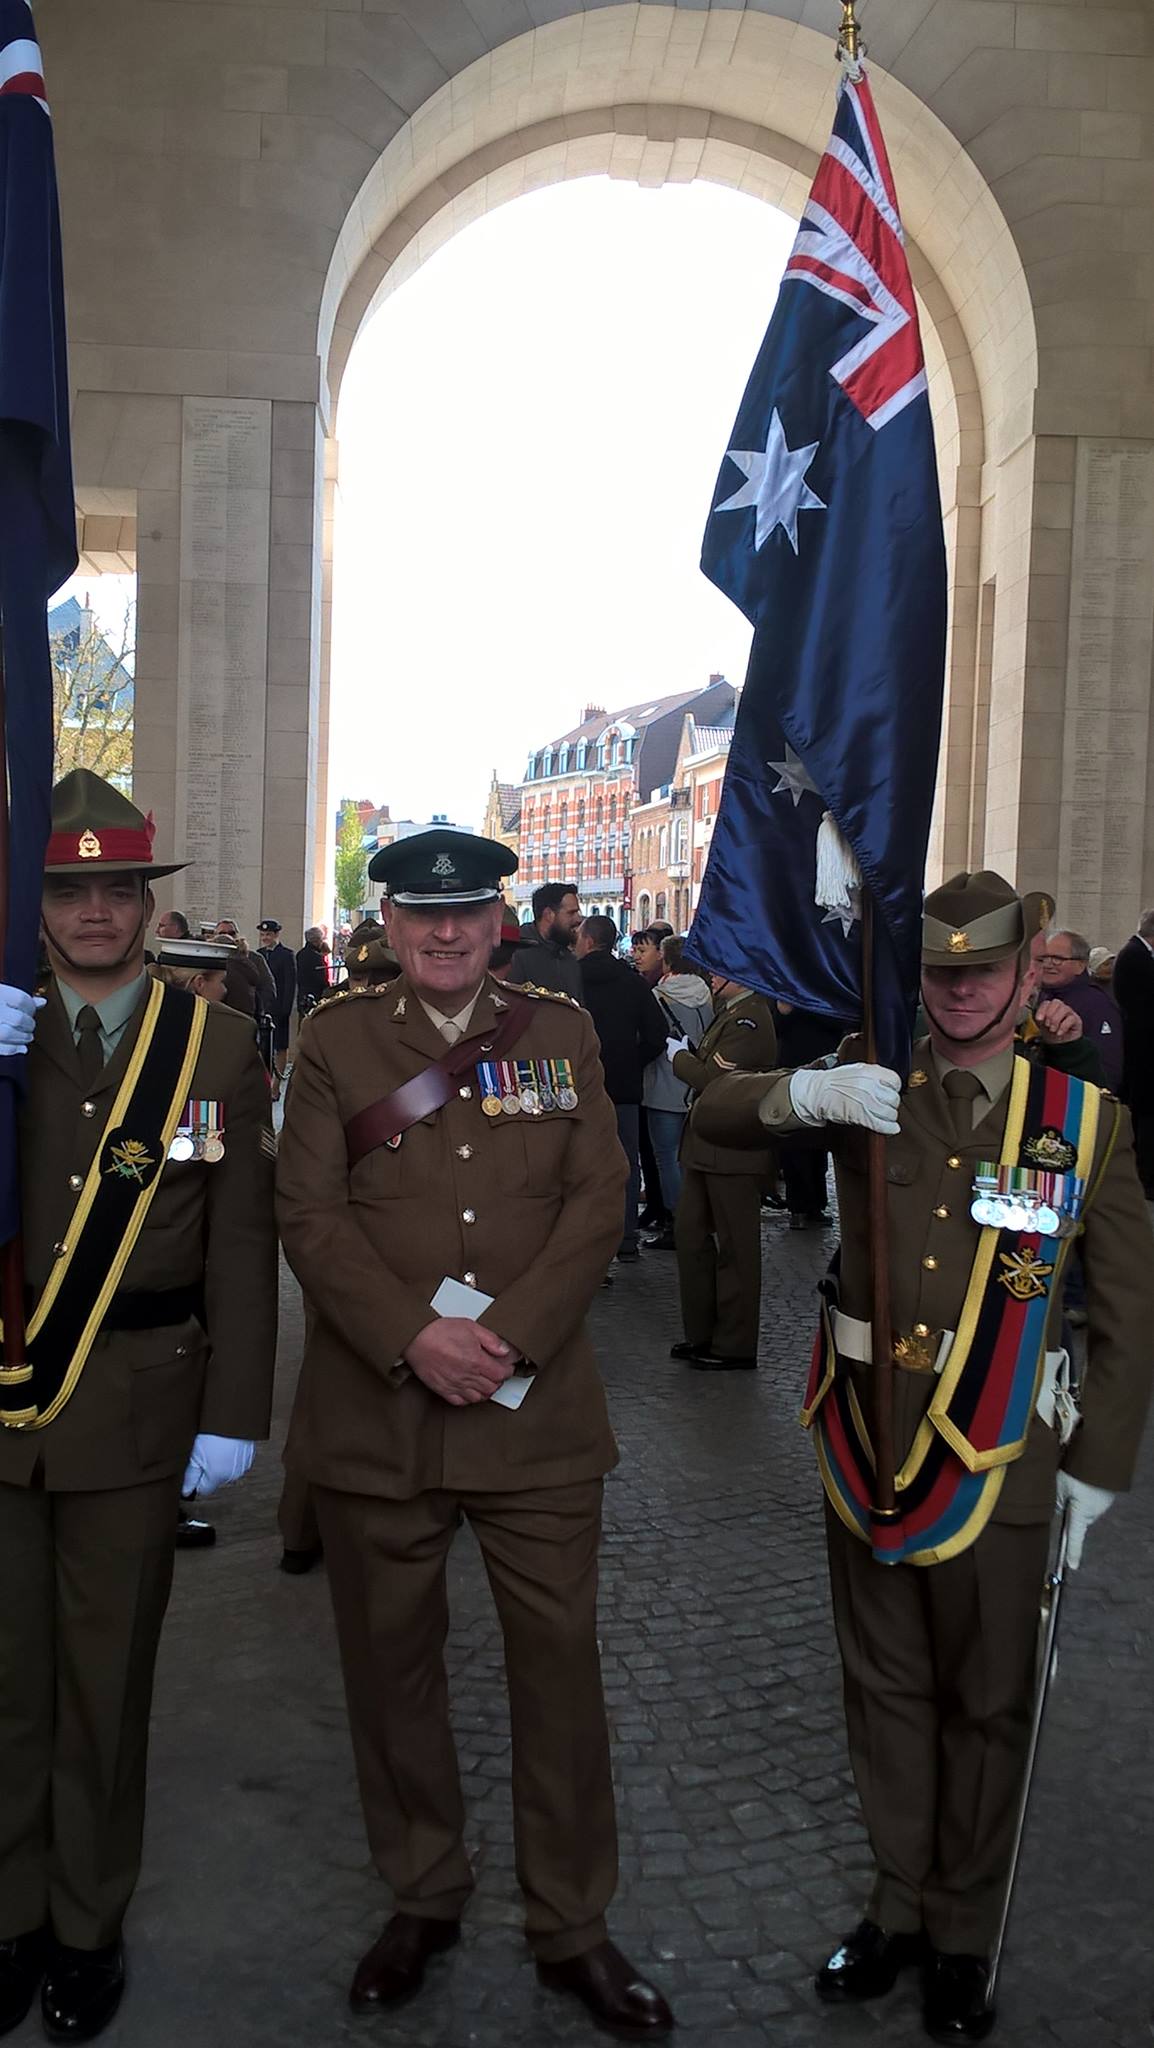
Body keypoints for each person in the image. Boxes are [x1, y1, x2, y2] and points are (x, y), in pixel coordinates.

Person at [694, 870, 1154, 2042]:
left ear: (1021, 975)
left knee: (987, 1701)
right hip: (866, 1436)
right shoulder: (868, 1084)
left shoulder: (1080, 1121)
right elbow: (711, 1110)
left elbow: (1125, 1300)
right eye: (940, 972)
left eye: (982, 971)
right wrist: (800, 1090)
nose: (958, 991)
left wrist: (1099, 1458)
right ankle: (895, 1902)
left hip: (999, 1447)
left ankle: (959, 1926)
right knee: (884, 1687)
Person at [275, 828, 672, 2039]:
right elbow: (307, 1208)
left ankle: (571, 1921)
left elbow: (599, 1198)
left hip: (535, 1416)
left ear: (500, 921)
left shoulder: (557, 1030)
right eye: (421, 915)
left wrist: (508, 1334)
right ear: (388, 925)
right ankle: (423, 1891)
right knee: (391, 1673)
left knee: (558, 1673)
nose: (445, 933)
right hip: (377, 1415)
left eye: (467, 914)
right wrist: (414, 1335)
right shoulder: (334, 1039)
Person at [0, 770, 277, 2042]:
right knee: (8, 1682)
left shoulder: (213, 1043)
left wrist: (235, 1409)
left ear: (146, 902)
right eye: (69, 887)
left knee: (105, 1683)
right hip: (4, 1401)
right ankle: (10, 1916)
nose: (96, 910)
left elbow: (236, 1239)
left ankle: (84, 1922)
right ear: (35, 900)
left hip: (136, 1404)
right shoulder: (3, 1028)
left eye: (117, 887)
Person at [668, 976, 778, 1370]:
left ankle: (734, 1343)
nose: (712, 974)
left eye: (721, 966)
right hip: (705, 1143)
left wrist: (679, 1058)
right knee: (691, 1235)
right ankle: (702, 1332)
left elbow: (714, 1081)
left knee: (736, 1246)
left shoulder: (749, 1019)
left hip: (733, 1147)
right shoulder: (729, 1012)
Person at [575, 915, 669, 1262]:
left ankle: (586, 1239)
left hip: (580, 1087)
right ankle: (625, 1237)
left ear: (587, 941)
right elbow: (657, 1035)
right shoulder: (633, 984)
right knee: (626, 1165)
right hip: (625, 1087)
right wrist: (633, 1060)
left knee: (580, 1165)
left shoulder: (572, 979)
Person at [640, 937, 713, 1248]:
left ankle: (677, 1222)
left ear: (666, 961)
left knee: (666, 1158)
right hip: (696, 1084)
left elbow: (649, 1037)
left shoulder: (659, 995)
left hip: (663, 1084)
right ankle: (697, 1219)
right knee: (688, 1158)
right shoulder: (707, 994)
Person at [774, 1001, 851, 1228]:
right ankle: (798, 1207)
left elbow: (841, 1022)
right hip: (793, 1071)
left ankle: (815, 1204)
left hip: (824, 1072)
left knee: (819, 1141)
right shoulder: (786, 990)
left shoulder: (824, 993)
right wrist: (783, 1012)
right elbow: (775, 1029)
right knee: (794, 1141)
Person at [1037, 929, 1123, 1092]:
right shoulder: (1040, 995)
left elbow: (1109, 1065)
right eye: (1044, 958)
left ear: (1080, 965)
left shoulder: (1096, 1004)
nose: (1048, 964)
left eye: (1057, 959)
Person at [1110, 910, 1154, 1198]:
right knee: (1146, 1115)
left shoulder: (1139, 954)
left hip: (1143, 1049)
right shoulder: (1136, 956)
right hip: (1144, 1052)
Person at [503, 882, 582, 1001]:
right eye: (571, 913)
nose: (578, 919)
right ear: (548, 915)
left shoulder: (570, 959)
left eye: (577, 912)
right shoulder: (515, 954)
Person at [256, 918, 298, 1096]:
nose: (265, 938)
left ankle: (276, 1087)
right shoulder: (259, 954)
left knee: (280, 1046)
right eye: (263, 934)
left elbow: (290, 984)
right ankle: (264, 1083)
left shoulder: (286, 955)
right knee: (263, 1046)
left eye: (268, 935)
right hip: (263, 1008)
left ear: (276, 935)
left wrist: (285, 1009)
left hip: (279, 1008)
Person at [295, 924, 330, 1015]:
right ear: (317, 941)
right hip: (315, 995)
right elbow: (321, 978)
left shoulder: (300, 954)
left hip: (302, 994)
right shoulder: (316, 957)